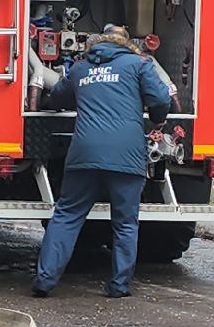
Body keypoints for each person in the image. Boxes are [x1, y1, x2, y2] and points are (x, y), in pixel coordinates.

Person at [32, 26, 173, 299]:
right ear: (126, 43)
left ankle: (44, 280)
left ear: (97, 43)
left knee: (66, 216)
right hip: (126, 156)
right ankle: (118, 286)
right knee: (125, 223)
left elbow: (57, 97)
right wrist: (156, 116)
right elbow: (161, 100)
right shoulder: (139, 65)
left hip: (83, 155)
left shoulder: (80, 68)